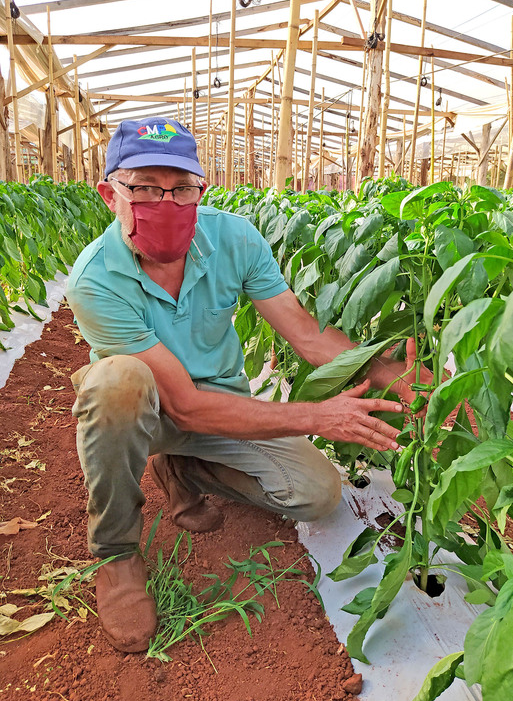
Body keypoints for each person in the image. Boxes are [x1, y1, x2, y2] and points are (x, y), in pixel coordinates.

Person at [66, 116, 429, 654]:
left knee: (317, 493)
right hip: (143, 412)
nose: (165, 203)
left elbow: (306, 335)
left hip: (222, 408)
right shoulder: (95, 279)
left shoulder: (234, 238)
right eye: (143, 187)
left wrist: (383, 366)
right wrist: (317, 415)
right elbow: (184, 408)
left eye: (181, 188)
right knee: (116, 382)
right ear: (109, 193)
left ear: (200, 190)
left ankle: (186, 467)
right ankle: (118, 555)